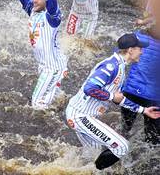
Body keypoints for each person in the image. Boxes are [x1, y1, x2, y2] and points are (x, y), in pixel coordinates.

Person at [65, 33, 160, 170]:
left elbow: (120, 99)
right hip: (80, 116)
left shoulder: (120, 67)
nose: (142, 51)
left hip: (85, 115)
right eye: (140, 48)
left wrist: (143, 110)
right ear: (130, 50)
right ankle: (95, 171)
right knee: (122, 147)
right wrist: (111, 96)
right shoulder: (111, 66)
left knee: (92, 156)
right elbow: (89, 88)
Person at [17, 0, 68, 109]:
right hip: (45, 65)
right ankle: (60, 105)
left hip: (53, 68)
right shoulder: (33, 10)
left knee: (37, 104)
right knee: (53, 99)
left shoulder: (53, 17)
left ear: (46, 1)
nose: (35, 0)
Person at [121, 29, 160, 144]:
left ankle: (117, 153)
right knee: (153, 140)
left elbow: (121, 51)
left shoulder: (138, 38)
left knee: (124, 130)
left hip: (131, 93)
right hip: (154, 99)